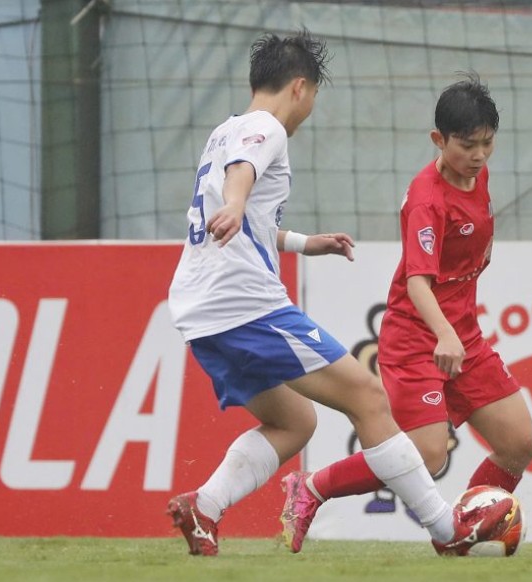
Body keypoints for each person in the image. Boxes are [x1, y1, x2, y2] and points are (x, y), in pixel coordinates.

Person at [165, 32, 511, 557]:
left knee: (294, 421)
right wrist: (236, 202)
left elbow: (240, 219)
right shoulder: (265, 128)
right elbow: (242, 181)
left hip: (199, 312)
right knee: (367, 398)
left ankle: (205, 506)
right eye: (315, 96)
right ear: (300, 88)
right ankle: (448, 529)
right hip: (245, 306)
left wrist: (304, 243)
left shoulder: (224, 132)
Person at [279, 72, 532, 555]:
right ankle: (311, 488)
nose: (479, 155)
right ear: (439, 140)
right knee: (426, 455)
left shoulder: (476, 174)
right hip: (419, 339)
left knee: (519, 442)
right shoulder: (426, 200)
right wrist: (444, 334)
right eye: (467, 145)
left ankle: (462, 532)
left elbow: (475, 227)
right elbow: (418, 280)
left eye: (487, 143)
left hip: (463, 335)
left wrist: (480, 260)